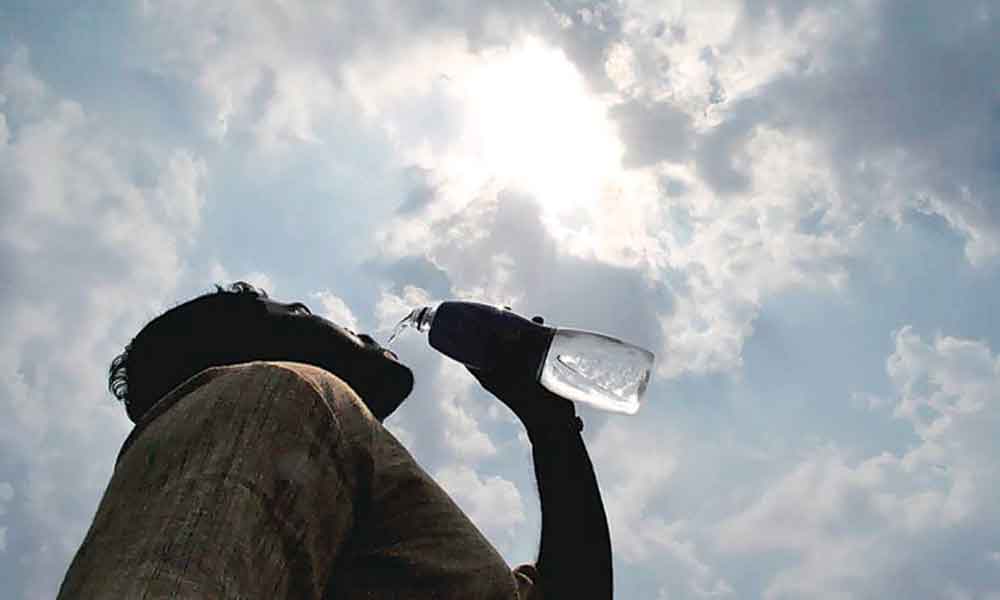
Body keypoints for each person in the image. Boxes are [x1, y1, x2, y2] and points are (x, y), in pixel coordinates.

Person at [58, 282, 612, 599]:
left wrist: (550, 426)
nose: (353, 328)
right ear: (259, 348)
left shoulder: (369, 501)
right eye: (299, 311)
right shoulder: (271, 390)